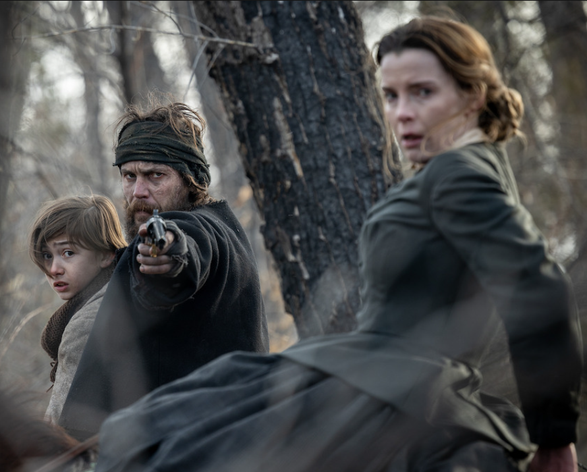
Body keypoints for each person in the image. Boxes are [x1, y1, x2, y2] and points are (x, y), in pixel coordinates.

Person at [93, 17, 582, 472]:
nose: (402, 114)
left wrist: (555, 437)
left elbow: (538, 288)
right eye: (390, 96)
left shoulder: (459, 174)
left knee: (159, 437)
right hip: (375, 379)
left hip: (392, 390)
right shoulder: (468, 168)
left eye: (422, 93)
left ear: (472, 95)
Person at [57, 102, 270, 440]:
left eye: (155, 175)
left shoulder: (202, 230)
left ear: (190, 179)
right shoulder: (224, 227)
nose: (138, 192)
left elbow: (186, 252)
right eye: (130, 176)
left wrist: (169, 256)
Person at [29, 195, 126, 425]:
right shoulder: (122, 295)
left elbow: (61, 434)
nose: (53, 269)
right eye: (47, 255)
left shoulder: (86, 324)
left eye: (68, 253)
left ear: (106, 254)